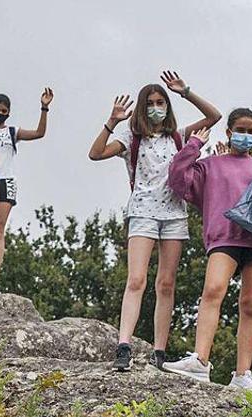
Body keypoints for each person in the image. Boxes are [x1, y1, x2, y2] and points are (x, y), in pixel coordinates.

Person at [160, 110, 252, 404]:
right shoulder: (211, 165)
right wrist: (193, 146)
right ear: (228, 132)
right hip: (224, 237)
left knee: (251, 305)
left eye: (251, 130)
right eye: (240, 129)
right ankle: (201, 360)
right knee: (213, 290)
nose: (245, 134)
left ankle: (243, 373)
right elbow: (178, 181)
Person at [87, 71, 221, 371]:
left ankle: (159, 351)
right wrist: (112, 121)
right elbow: (95, 154)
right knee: (136, 280)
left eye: (161, 102)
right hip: (143, 211)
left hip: (174, 214)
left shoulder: (178, 136)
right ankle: (124, 344)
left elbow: (214, 116)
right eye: (150, 103)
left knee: (166, 283)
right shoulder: (131, 139)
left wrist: (185, 91)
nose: (156, 108)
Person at [0, 69, 53, 297]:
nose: (0, 113)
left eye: (4, 111)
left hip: (6, 182)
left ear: (9, 113)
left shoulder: (13, 132)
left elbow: (40, 133)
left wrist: (44, 108)